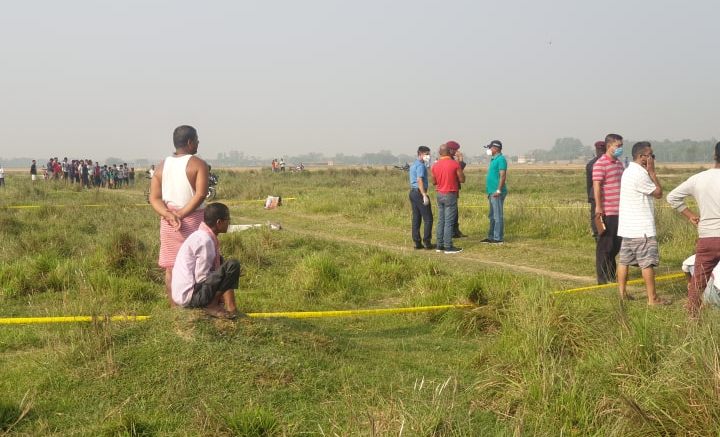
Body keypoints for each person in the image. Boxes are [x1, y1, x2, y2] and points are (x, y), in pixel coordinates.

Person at [149, 125, 210, 306]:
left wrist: (169, 215)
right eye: (197, 139)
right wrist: (181, 215)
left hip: (168, 224)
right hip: (194, 221)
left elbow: (154, 198)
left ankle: (174, 308)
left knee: (171, 268)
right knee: (198, 265)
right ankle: (197, 306)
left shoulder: (161, 166)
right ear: (190, 142)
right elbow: (200, 194)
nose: (199, 142)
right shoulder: (198, 164)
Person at [667, 141, 720, 317]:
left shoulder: (699, 178)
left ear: (714, 156)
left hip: (707, 238)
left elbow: (672, 197)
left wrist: (690, 215)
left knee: (698, 283)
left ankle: (692, 320)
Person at [616, 141, 670, 305]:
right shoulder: (640, 174)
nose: (653, 158)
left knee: (624, 261)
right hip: (642, 229)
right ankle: (652, 299)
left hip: (627, 228)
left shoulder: (628, 171)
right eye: (651, 156)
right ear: (642, 157)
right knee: (647, 264)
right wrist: (652, 173)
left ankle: (622, 294)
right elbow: (659, 193)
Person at [172, 202, 241, 319]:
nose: (229, 223)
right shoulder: (205, 241)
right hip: (191, 298)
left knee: (222, 262)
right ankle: (211, 305)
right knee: (232, 266)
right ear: (219, 223)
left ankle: (228, 306)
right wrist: (225, 276)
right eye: (228, 219)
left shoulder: (201, 235)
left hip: (189, 294)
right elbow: (201, 277)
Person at [592, 133, 625, 284]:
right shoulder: (600, 164)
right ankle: (602, 278)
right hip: (607, 210)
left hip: (620, 211)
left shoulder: (619, 164)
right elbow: (597, 186)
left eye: (621, 146)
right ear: (609, 146)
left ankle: (611, 275)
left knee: (615, 246)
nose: (620, 149)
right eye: (617, 146)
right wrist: (599, 207)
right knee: (605, 246)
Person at [430, 143, 465, 254]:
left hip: (439, 194)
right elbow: (462, 179)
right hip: (450, 193)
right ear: (450, 152)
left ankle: (439, 245)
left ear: (440, 153)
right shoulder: (454, 164)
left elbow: (434, 182)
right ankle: (448, 246)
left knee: (441, 220)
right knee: (449, 221)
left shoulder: (435, 165)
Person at [481, 140, 508, 244]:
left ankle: (498, 238)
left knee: (497, 216)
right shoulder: (493, 159)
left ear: (496, 148)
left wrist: (499, 190)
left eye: (490, 148)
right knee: (492, 215)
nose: (488, 150)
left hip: (497, 192)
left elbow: (503, 176)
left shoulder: (501, 159)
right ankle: (491, 236)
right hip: (491, 192)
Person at [409, 146, 434, 250]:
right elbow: (420, 180)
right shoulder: (420, 166)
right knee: (428, 219)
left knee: (416, 218)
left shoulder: (414, 164)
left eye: (429, 154)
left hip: (412, 193)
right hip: (419, 193)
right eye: (426, 154)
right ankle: (427, 242)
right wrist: (424, 194)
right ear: (420, 154)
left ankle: (417, 242)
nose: (428, 156)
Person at [445, 141, 467, 238]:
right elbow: (457, 171)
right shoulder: (448, 160)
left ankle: (455, 231)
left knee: (455, 210)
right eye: (456, 150)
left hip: (453, 188)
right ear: (451, 150)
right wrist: (461, 160)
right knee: (451, 211)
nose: (457, 152)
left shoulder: (451, 159)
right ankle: (451, 232)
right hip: (450, 189)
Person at [586, 141, 606, 240]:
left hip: (594, 194)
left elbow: (589, 183)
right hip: (608, 195)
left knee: (596, 217)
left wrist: (589, 197)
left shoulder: (591, 164)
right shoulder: (611, 162)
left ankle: (598, 234)